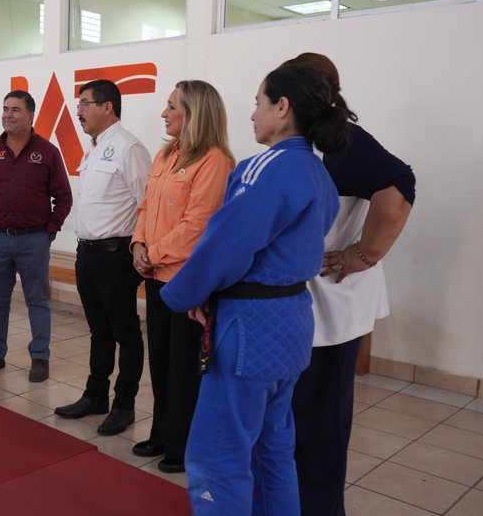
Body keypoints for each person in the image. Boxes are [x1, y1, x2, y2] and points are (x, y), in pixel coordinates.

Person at [160, 65, 350, 515]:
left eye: (258, 103)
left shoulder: (268, 168)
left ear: (282, 107)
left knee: (217, 456)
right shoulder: (317, 172)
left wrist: (184, 295)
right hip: (291, 321)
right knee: (272, 449)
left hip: (250, 328)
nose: (252, 114)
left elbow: (225, 245)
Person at [287, 53, 415, 516]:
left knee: (322, 421)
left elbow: (400, 183)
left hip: (336, 306)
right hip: (310, 307)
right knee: (301, 417)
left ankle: (322, 509)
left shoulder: (346, 141)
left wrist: (364, 253)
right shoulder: (310, 143)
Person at [129, 80, 234, 473]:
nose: (164, 113)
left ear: (195, 113)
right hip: (156, 274)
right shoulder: (165, 154)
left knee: (185, 368)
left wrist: (152, 254)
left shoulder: (215, 161)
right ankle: (162, 432)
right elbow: (145, 207)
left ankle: (183, 445)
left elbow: (197, 226)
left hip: (187, 280)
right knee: (160, 362)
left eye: (172, 106)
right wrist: (138, 245)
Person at [54, 80, 150, 436]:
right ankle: (95, 396)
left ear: (107, 106)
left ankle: (124, 404)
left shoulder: (129, 148)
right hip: (88, 254)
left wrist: (140, 246)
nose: (78, 110)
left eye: (85, 103)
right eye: (78, 103)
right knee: (99, 330)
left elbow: (147, 204)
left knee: (126, 333)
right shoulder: (93, 149)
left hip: (116, 256)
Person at [0, 90, 72, 383]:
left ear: (30, 116)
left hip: (33, 240)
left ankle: (40, 357)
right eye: (5, 108)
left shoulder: (48, 152)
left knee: (36, 300)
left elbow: (63, 197)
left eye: (15, 109)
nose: (7, 115)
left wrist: (50, 231)